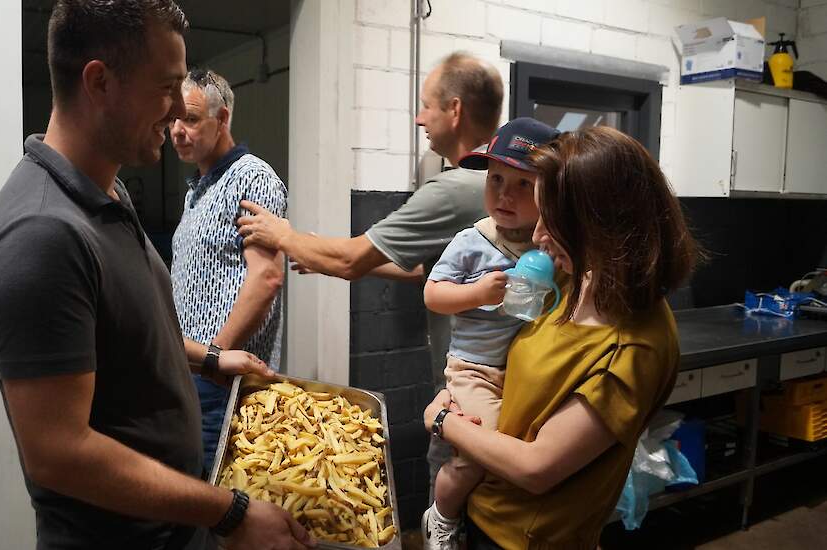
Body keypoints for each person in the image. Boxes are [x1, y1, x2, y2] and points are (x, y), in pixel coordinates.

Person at [0, 2, 314, 549]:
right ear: (100, 82)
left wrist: (208, 356)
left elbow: (127, 332)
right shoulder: (42, 234)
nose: (179, 108)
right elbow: (59, 453)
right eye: (167, 87)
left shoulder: (108, 190)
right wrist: (227, 511)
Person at [236, 51, 505, 490]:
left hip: (469, 394)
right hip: (498, 388)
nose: (420, 119)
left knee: (455, 500)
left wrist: (280, 233)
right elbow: (428, 269)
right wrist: (333, 263)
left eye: (427, 106)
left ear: (455, 111)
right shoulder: (497, 182)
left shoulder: (457, 188)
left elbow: (349, 257)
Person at [422, 126, 700, 550]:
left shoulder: (634, 346)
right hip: (482, 509)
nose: (536, 237)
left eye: (553, 222)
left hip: (521, 537)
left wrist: (443, 421)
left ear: (604, 226)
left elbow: (538, 467)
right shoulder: (577, 278)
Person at [420, 118, 560, 550]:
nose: (504, 193)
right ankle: (441, 515)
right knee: (487, 449)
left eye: (523, 184)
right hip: (474, 368)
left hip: (518, 372)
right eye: (496, 179)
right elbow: (432, 294)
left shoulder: (550, 246)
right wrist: (476, 291)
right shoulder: (473, 240)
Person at [169, 68, 287, 472]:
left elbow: (267, 277)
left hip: (221, 382)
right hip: (190, 371)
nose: (177, 130)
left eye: (190, 118)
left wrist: (213, 358)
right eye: (173, 118)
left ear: (221, 120)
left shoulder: (252, 178)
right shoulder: (197, 189)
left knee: (214, 502)